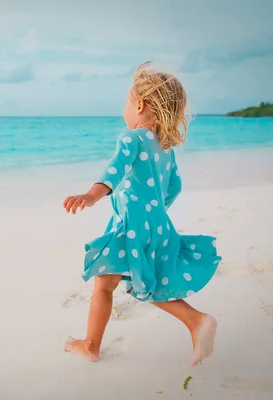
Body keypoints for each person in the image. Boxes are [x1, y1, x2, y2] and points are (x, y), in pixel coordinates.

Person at [63, 62, 221, 366]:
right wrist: (154, 214)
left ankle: (194, 321)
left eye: (126, 102)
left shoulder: (131, 138)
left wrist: (90, 196)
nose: (124, 109)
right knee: (124, 282)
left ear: (139, 104)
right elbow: (174, 186)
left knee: (114, 284)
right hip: (156, 225)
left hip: (130, 227)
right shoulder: (166, 148)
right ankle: (194, 323)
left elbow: (113, 171)